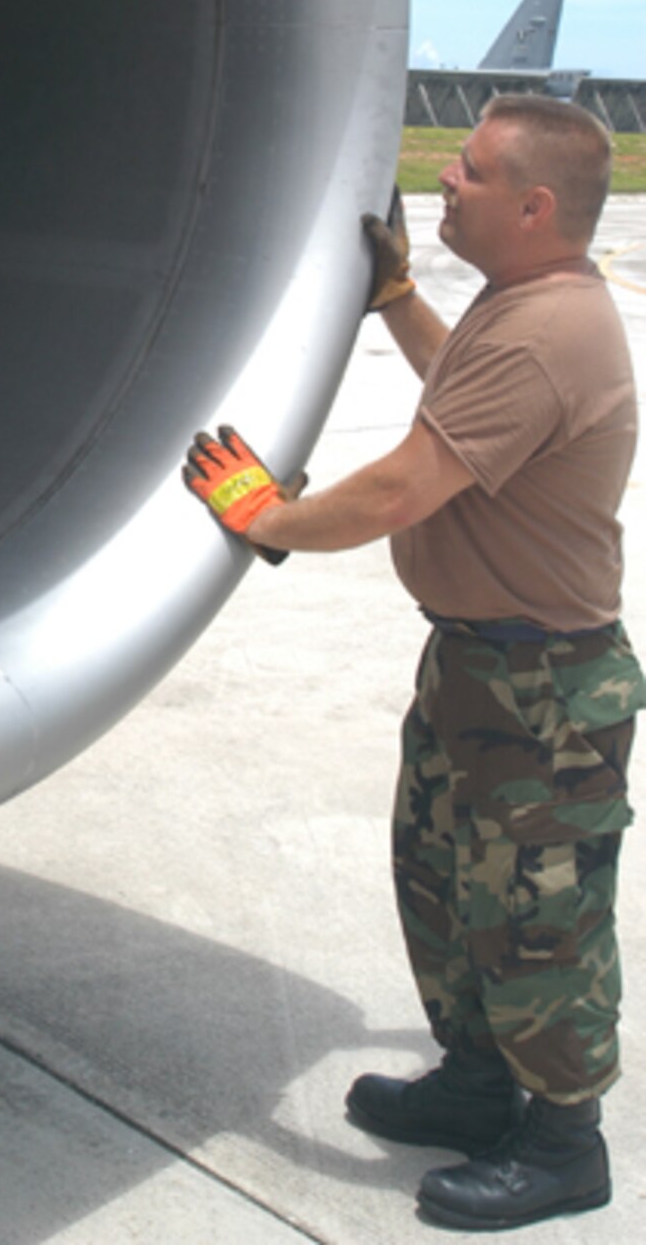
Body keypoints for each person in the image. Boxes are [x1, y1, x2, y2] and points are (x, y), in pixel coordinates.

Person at [183, 93, 642, 1232]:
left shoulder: (548, 332)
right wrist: (398, 301)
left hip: (546, 695)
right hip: (483, 669)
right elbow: (464, 394)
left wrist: (267, 514)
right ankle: (481, 1085)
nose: (445, 181)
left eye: (473, 172)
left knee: (539, 917)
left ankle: (562, 1140)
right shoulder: (520, 304)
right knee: (445, 885)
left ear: (534, 205)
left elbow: (401, 486)